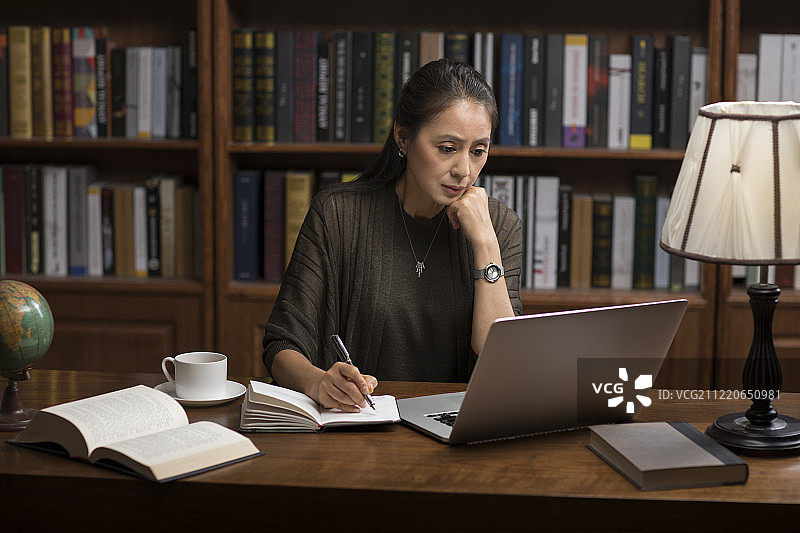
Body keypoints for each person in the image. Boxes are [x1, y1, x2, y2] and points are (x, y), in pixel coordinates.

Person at [262, 58, 523, 412]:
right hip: (359, 426)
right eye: (447, 149)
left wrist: (485, 244)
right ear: (403, 136)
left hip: (454, 429)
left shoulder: (500, 227)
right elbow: (281, 344)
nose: (464, 170)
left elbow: (505, 362)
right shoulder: (339, 214)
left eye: (479, 151)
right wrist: (319, 382)